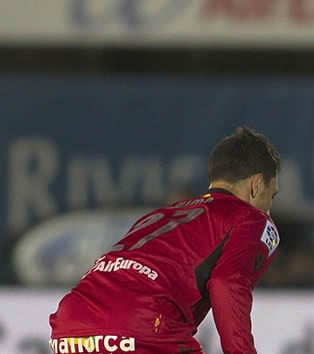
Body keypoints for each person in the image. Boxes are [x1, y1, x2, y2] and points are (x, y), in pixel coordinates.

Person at [49, 126, 281, 354]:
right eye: (273, 195)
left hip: (70, 325)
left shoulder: (159, 216)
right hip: (139, 324)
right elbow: (227, 284)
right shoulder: (251, 218)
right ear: (256, 184)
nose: (269, 209)